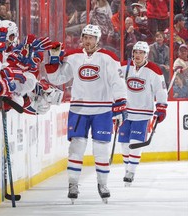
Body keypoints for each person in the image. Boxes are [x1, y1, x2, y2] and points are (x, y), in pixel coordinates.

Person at [45, 24, 127, 203]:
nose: (88, 41)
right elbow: (58, 78)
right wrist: (52, 60)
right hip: (79, 109)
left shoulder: (108, 57)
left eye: (91, 37)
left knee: (101, 150)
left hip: (102, 110)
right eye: (85, 37)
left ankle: (102, 183)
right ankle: (73, 184)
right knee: (76, 148)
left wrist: (120, 101)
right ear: (81, 38)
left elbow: (117, 81)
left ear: (98, 40)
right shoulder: (73, 56)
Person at [119, 41, 168, 187]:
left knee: (136, 142)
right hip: (125, 112)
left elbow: (161, 90)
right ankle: (127, 168)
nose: (137, 55)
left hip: (143, 113)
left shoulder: (154, 70)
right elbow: (112, 82)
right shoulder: (123, 66)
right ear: (132, 53)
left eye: (141, 52)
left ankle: (131, 172)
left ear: (146, 54)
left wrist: (161, 107)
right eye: (136, 52)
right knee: (124, 143)